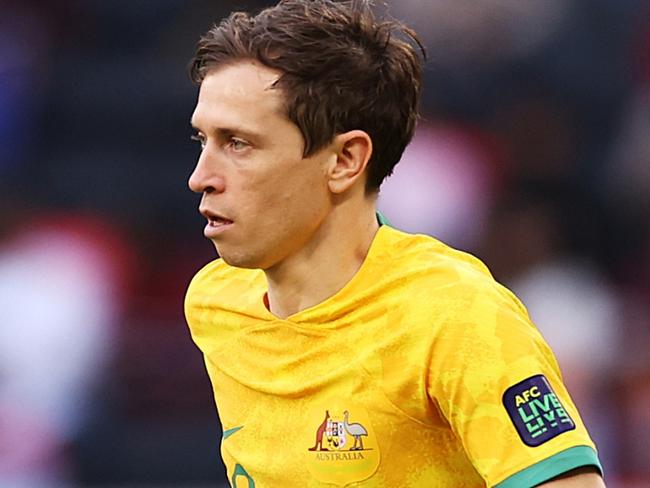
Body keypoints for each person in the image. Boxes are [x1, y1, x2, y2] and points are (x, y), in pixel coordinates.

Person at [184, 1, 605, 486]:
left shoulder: (454, 317)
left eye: (239, 144)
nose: (200, 178)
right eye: (203, 141)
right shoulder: (215, 301)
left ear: (344, 160)